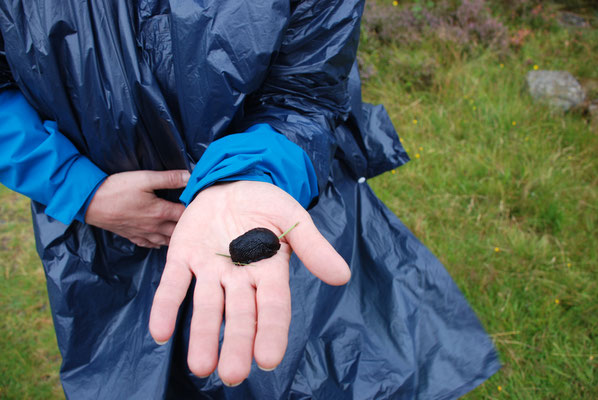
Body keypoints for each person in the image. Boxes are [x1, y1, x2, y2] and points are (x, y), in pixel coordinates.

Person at [0, 1, 500, 398]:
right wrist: (76, 187)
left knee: (307, 369)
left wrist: (253, 175)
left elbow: (306, 87)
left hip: (280, 202)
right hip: (108, 239)